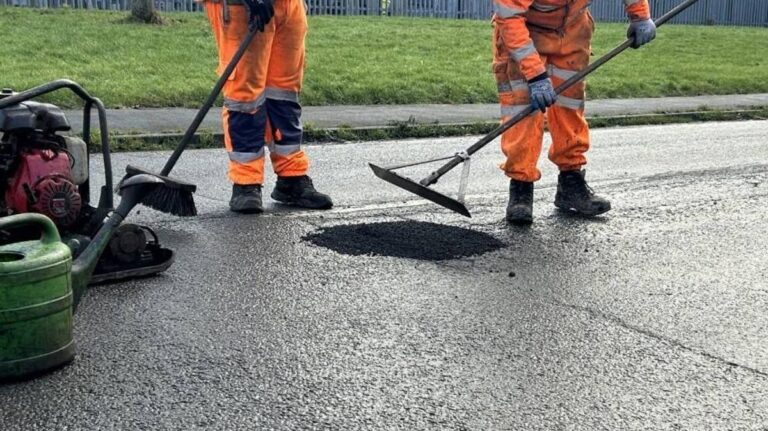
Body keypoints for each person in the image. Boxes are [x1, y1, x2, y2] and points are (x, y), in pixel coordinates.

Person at [492, 0, 656, 224]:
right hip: (523, 35)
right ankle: (521, 187)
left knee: (570, 106)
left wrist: (640, 15)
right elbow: (509, 18)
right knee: (523, 110)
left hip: (572, 30)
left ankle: (570, 182)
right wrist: (535, 74)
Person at [204, 0, 333, 213]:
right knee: (245, 99)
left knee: (283, 94)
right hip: (241, 7)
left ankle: (291, 178)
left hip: (288, 6)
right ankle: (245, 182)